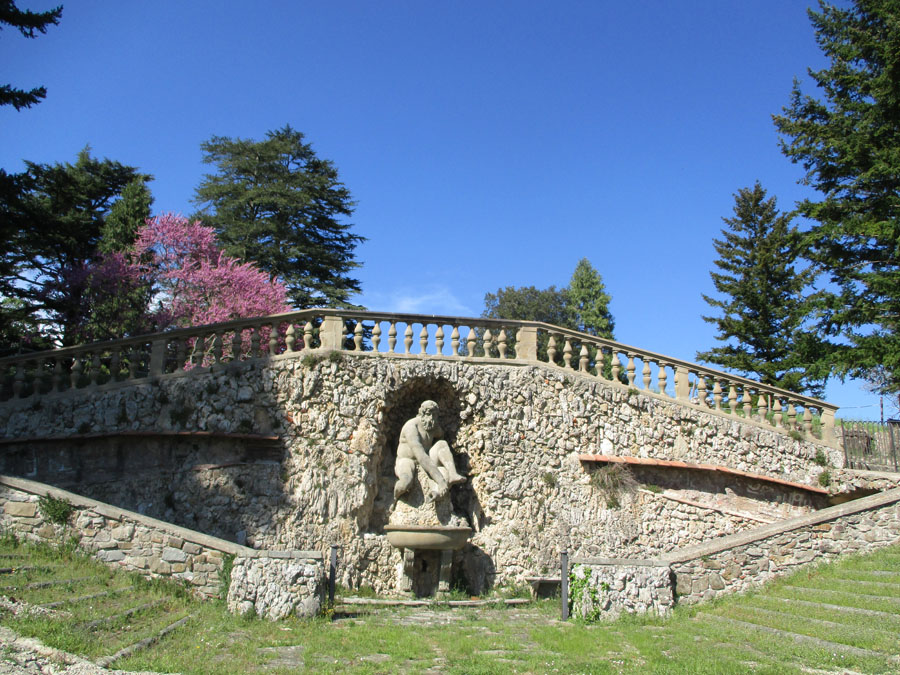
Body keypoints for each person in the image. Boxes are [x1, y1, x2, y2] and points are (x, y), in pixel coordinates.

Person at [394, 400, 465, 500]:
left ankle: (451, 475)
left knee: (442, 444)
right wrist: (439, 480)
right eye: (428, 414)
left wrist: (438, 457)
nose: (431, 418)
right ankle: (394, 498)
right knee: (406, 482)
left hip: (427, 457)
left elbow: (440, 436)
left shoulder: (433, 426)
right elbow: (421, 456)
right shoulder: (411, 427)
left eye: (434, 415)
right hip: (407, 460)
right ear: (422, 413)